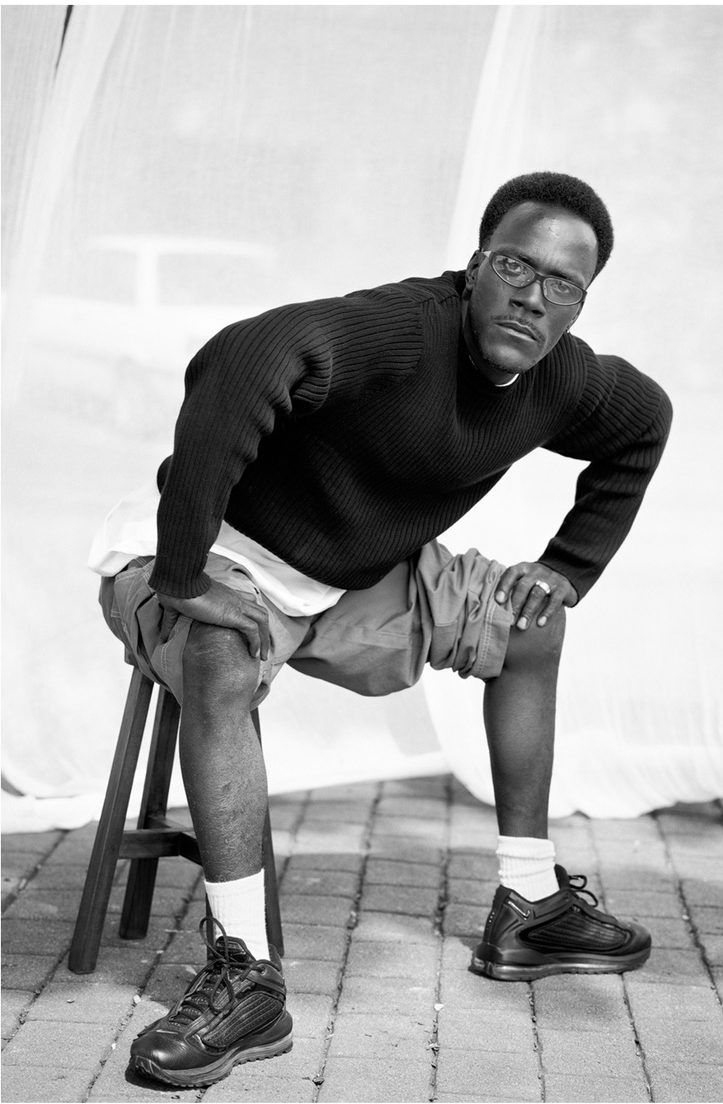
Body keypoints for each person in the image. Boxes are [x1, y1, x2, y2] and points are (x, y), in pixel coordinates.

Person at [90, 171, 672, 1088]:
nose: (533, 296)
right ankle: (246, 973)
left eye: (563, 283)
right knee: (219, 654)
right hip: (227, 551)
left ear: (579, 301)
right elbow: (245, 357)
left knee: (528, 626)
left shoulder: (561, 377)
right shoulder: (404, 330)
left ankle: (529, 902)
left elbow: (644, 421)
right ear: (475, 266)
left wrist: (568, 566)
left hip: (348, 577)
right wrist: (182, 570)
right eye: (515, 267)